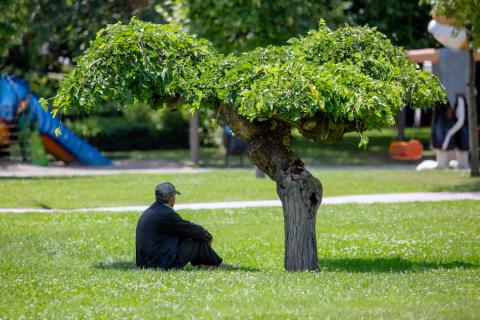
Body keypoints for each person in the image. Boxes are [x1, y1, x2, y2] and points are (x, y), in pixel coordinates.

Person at [136, 182, 224, 270]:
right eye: (174, 196)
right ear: (171, 198)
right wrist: (206, 236)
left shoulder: (154, 210)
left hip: (145, 263)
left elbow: (183, 230)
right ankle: (216, 264)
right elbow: (188, 228)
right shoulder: (166, 213)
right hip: (161, 264)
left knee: (190, 236)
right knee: (198, 240)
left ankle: (205, 263)